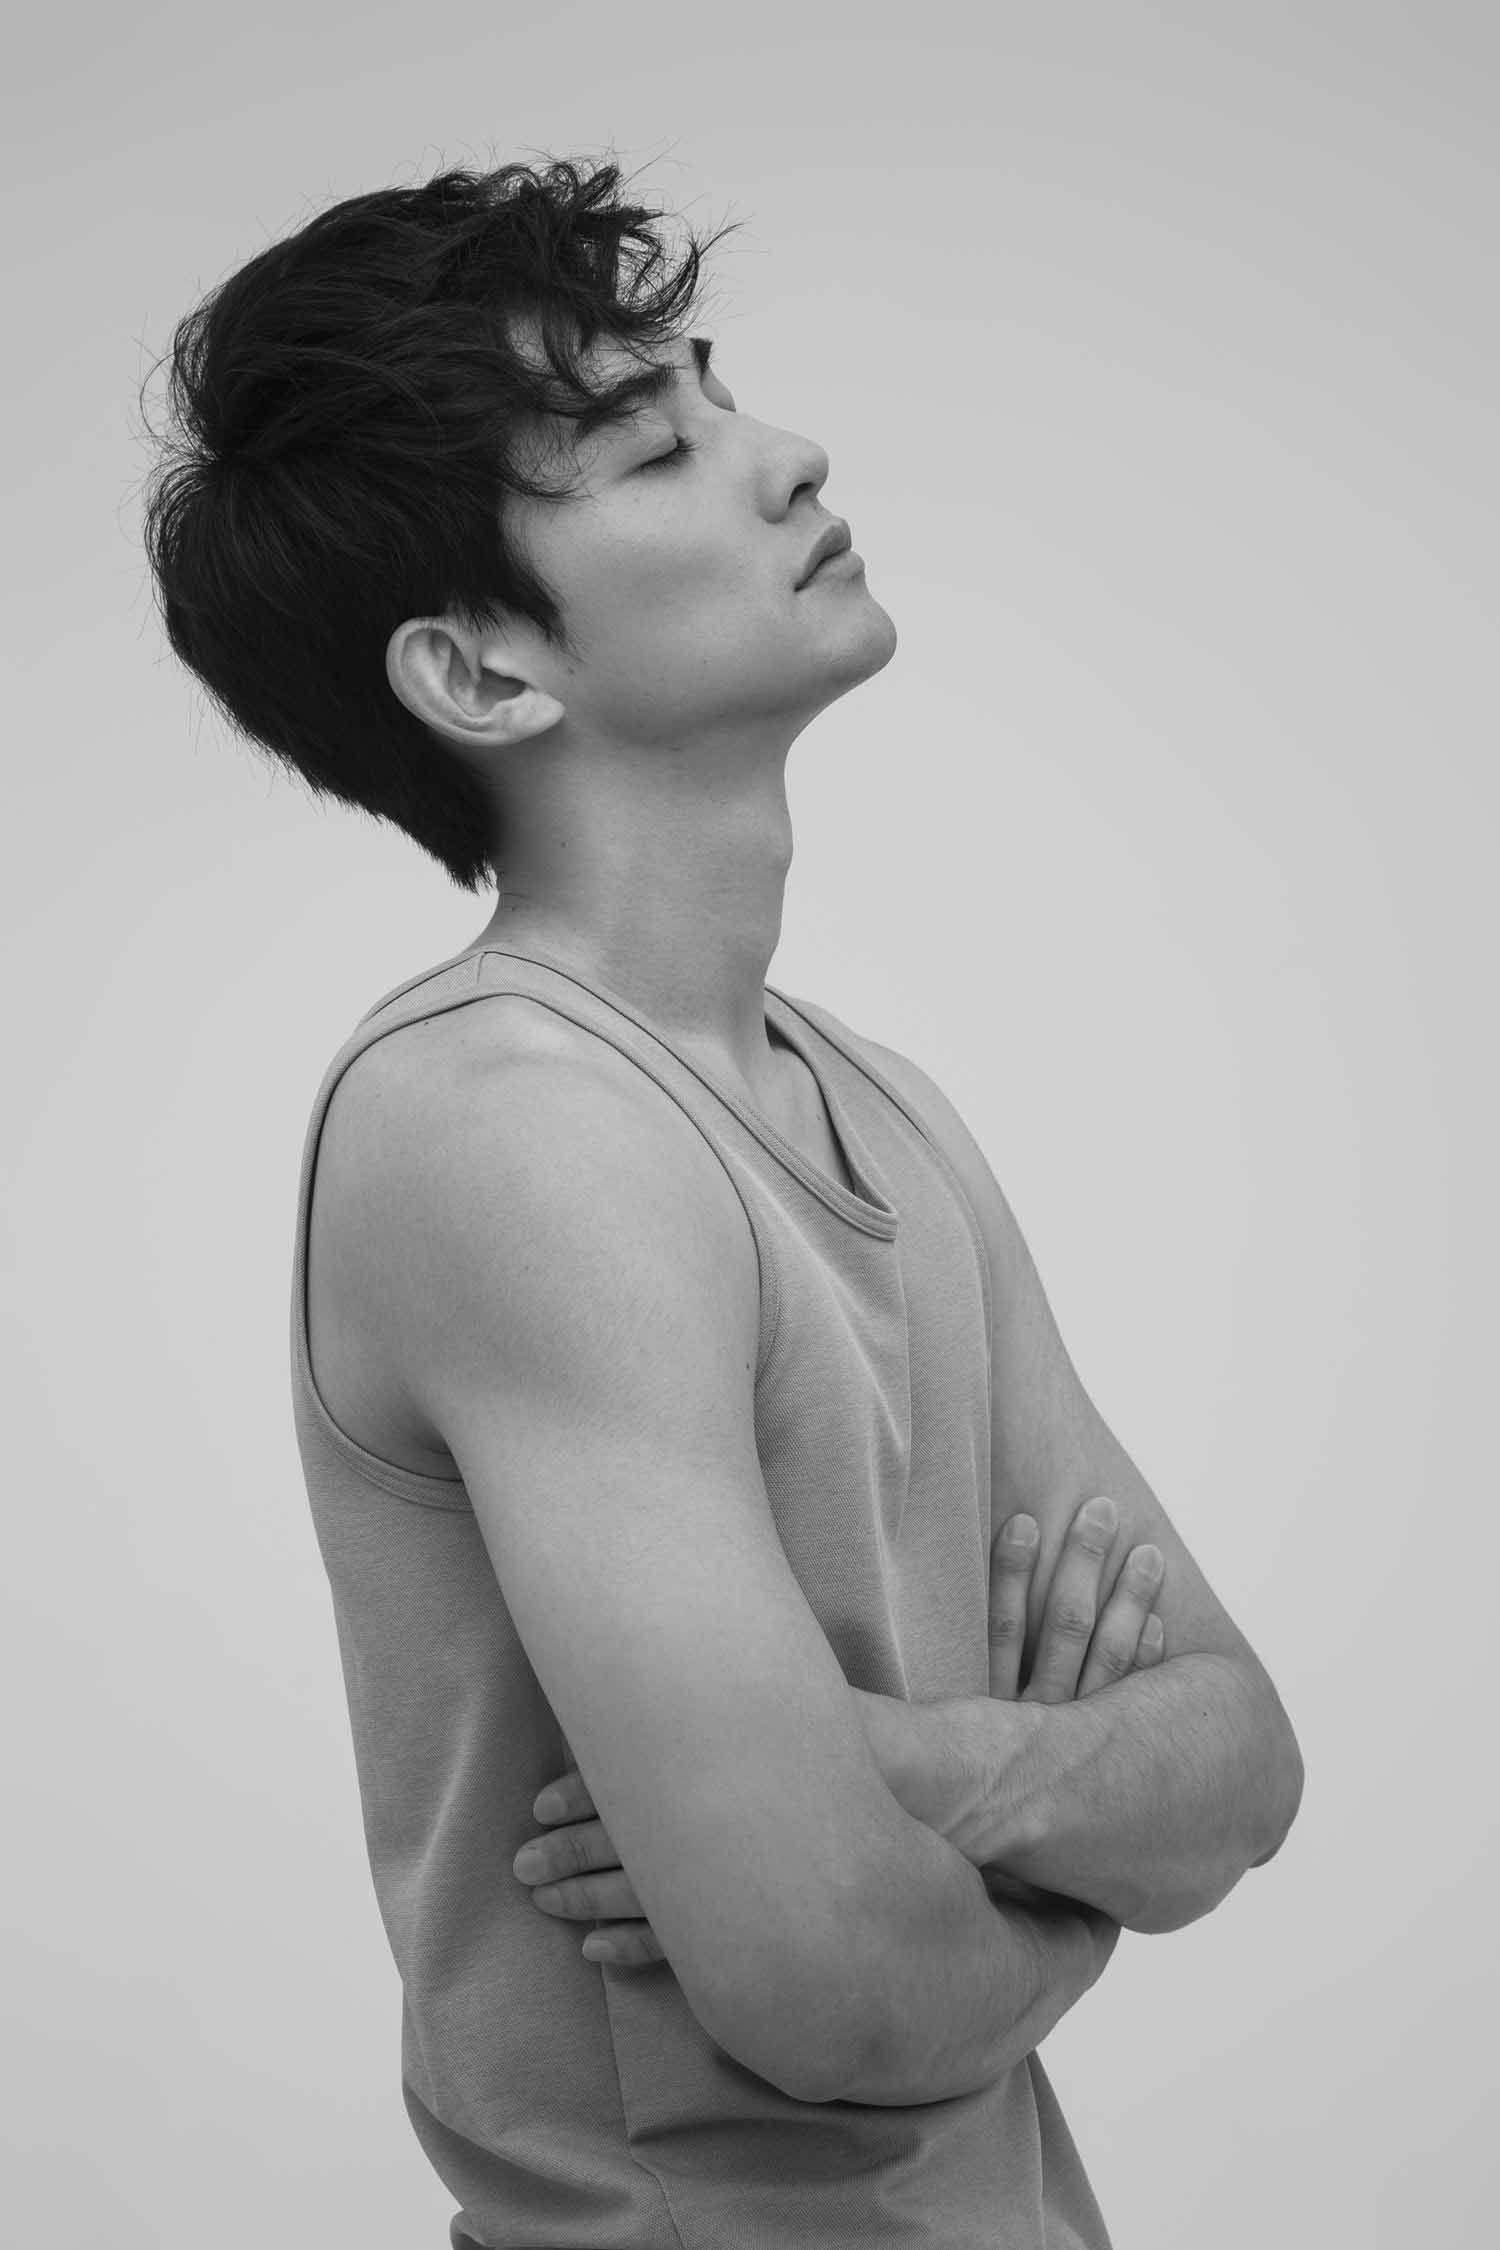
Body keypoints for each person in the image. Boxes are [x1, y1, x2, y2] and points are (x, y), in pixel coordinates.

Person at [142, 155, 1303, 2249]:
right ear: (480, 675)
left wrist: (920, 1771)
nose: (788, 455)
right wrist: (1097, 1871)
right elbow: (838, 1989)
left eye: (718, 391)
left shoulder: (883, 1108)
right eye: (654, 446)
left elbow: (1246, 1761)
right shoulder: (508, 1125)